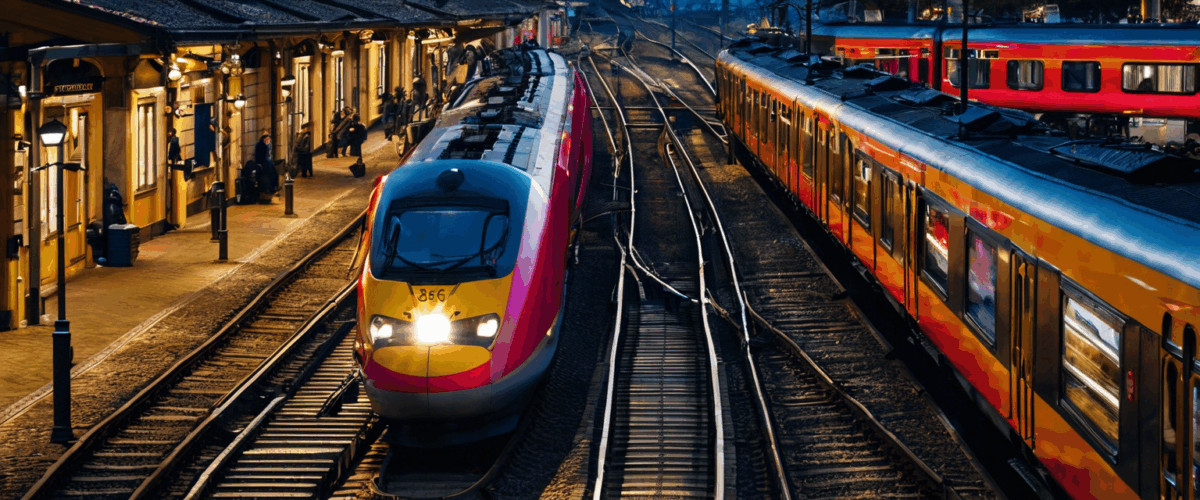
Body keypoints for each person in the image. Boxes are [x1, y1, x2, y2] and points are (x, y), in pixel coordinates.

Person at [254, 133, 278, 200]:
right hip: (263, 165)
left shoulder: (267, 146)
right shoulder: (261, 145)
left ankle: (271, 190)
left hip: (267, 165)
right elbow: (260, 156)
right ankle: (268, 192)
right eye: (267, 139)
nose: (268, 141)